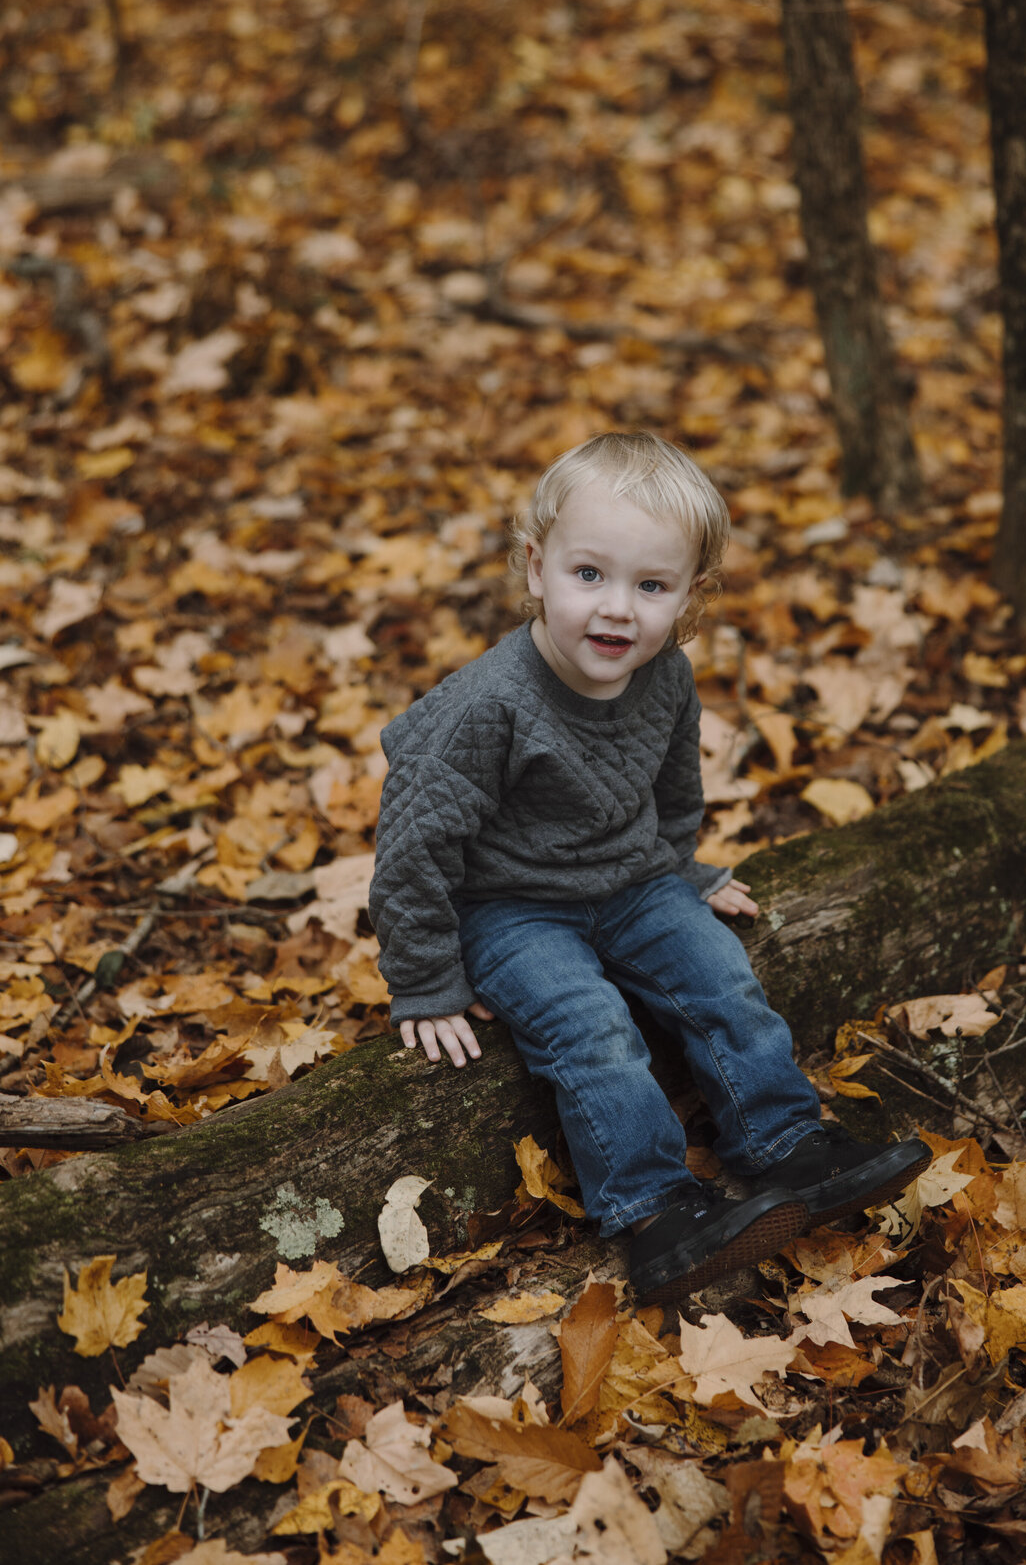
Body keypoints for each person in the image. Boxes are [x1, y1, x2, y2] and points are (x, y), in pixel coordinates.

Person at [370, 432, 929, 1299]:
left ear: (690, 597)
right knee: (591, 1027)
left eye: (651, 585)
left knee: (722, 976)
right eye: (588, 574)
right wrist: (426, 977)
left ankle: (788, 1146)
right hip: (511, 908)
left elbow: (672, 786)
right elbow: (414, 843)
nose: (617, 609)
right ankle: (658, 1212)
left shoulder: (665, 675)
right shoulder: (487, 707)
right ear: (534, 566)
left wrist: (684, 868)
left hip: (631, 885)